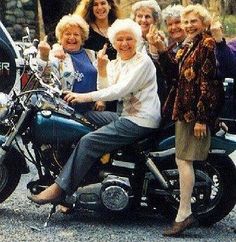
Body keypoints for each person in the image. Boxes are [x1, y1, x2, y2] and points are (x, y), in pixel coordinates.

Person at [28, 19, 161, 208]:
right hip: (127, 116)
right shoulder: (121, 62)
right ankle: (85, 177)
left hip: (141, 120)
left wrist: (83, 97)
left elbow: (119, 91)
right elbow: (106, 87)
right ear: (114, 42)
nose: (124, 43)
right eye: (120, 39)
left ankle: (60, 190)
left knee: (88, 141)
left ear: (137, 40)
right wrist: (102, 69)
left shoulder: (142, 62)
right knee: (80, 119)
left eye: (129, 39)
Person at [152, 4, 223, 236]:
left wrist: (202, 119)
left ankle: (184, 213)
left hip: (194, 114)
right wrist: (162, 51)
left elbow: (208, 83)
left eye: (194, 21)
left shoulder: (206, 44)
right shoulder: (187, 45)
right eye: (186, 21)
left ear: (203, 23)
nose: (189, 25)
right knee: (182, 159)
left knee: (184, 161)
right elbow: (174, 76)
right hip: (183, 111)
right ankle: (183, 212)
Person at [36, 14, 105, 114]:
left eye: (76, 34)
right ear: (60, 37)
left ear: (82, 38)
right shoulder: (55, 55)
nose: (72, 37)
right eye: (67, 34)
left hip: (92, 111)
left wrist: (101, 98)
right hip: (66, 112)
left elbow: (103, 77)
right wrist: (44, 57)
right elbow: (44, 79)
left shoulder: (92, 54)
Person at [74, 0, 121, 111]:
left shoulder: (119, 27)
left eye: (103, 3)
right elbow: (64, 40)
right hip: (94, 87)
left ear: (110, 5)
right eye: (95, 4)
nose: (99, 7)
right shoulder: (85, 30)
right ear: (90, 7)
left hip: (117, 86)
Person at [130, 0, 167, 106]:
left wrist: (153, 46)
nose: (143, 20)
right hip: (131, 91)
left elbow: (157, 68)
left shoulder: (160, 39)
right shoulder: (129, 38)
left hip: (153, 92)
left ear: (155, 20)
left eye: (147, 16)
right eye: (139, 16)